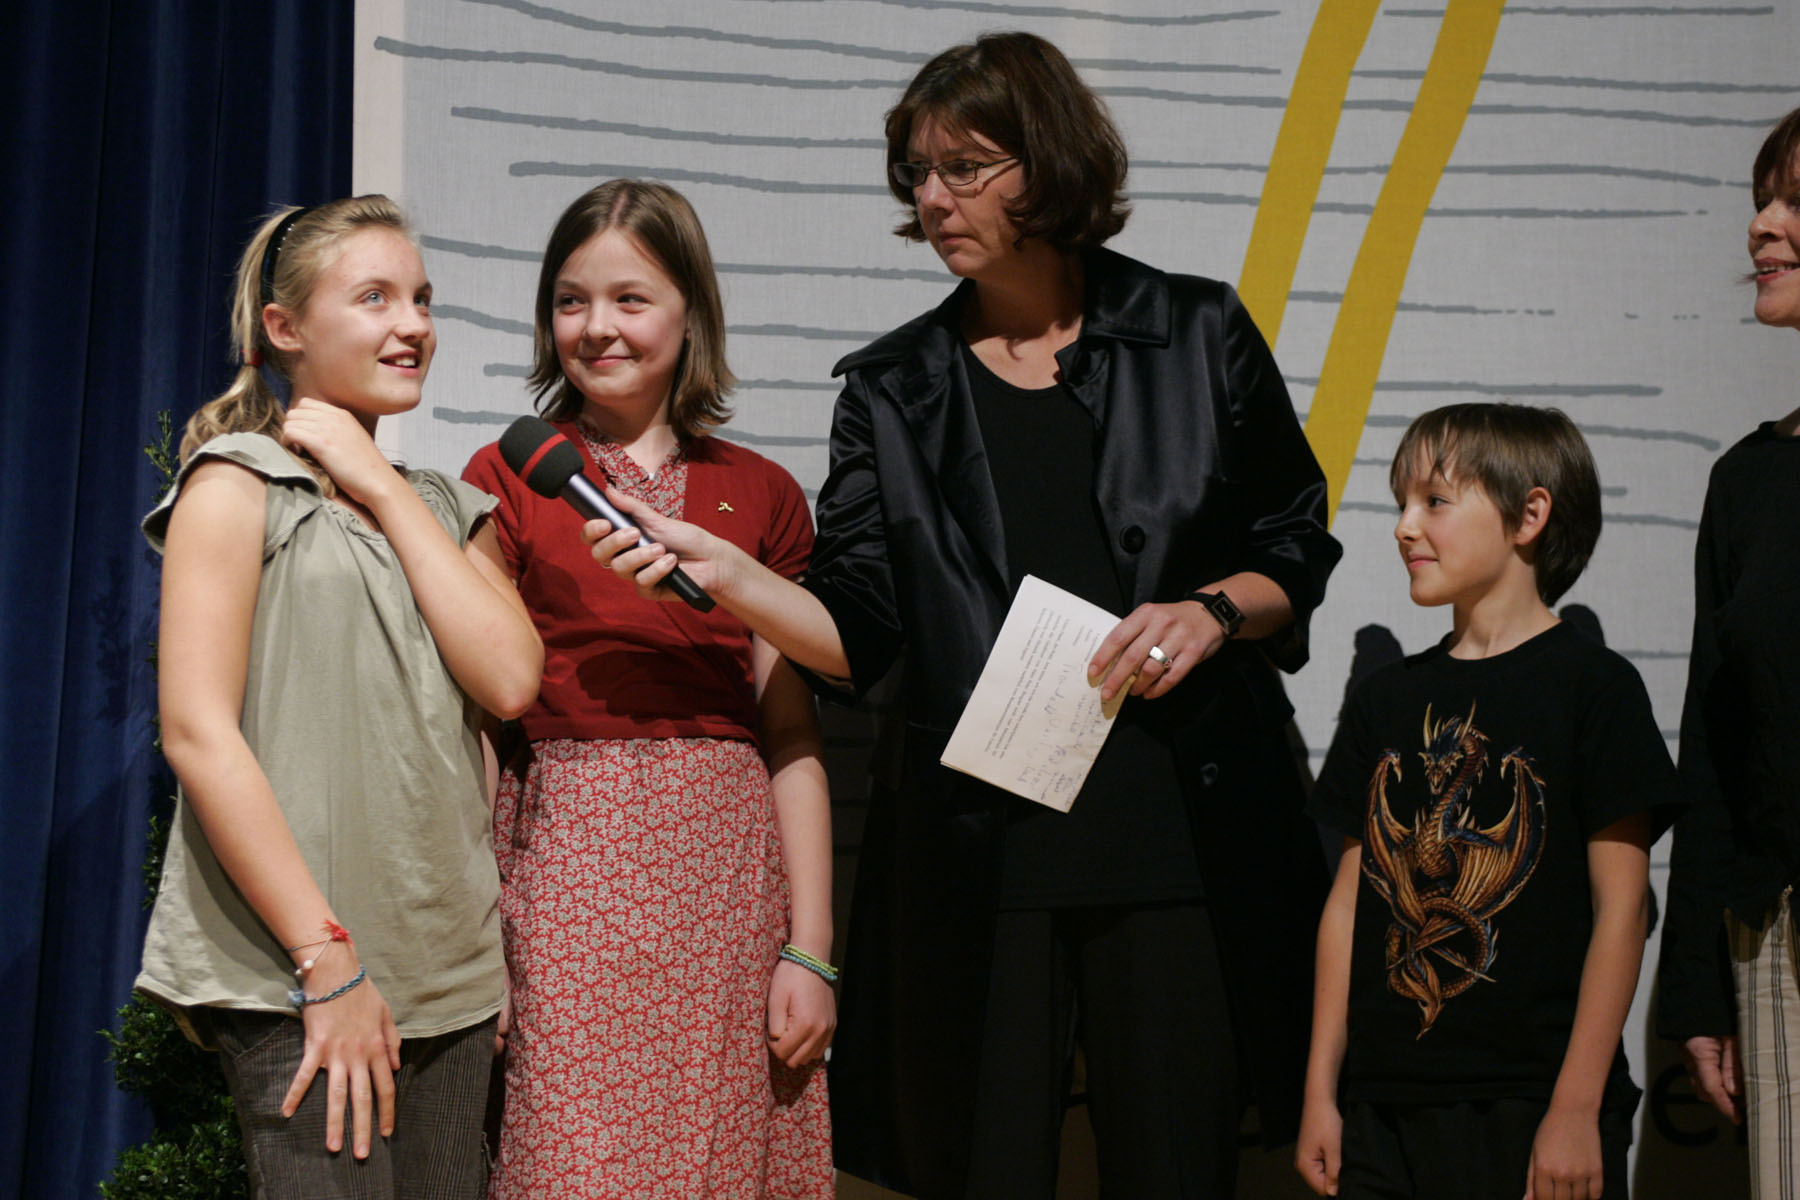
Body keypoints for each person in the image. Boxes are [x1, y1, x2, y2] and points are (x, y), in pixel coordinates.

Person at [585, 32, 1341, 1199]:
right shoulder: (894, 389)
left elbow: (1294, 538)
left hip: (1180, 838)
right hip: (984, 856)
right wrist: (730, 575)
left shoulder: (1195, 331)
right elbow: (860, 635)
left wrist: (1211, 610)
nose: (935, 199)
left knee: (1180, 1167)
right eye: (920, 173)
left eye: (968, 167)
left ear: (1052, 161)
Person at [135, 196, 543, 1197]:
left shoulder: (446, 507)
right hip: (302, 971)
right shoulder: (235, 486)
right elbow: (197, 735)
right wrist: (328, 962)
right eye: (375, 298)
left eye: (422, 299)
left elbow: (509, 679)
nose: (413, 325)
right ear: (285, 328)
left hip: (448, 973)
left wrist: (383, 485)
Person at [460, 179, 835, 1199]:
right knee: (569, 1160)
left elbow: (791, 732)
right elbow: (483, 724)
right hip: (569, 860)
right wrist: (475, 933)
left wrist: (811, 951)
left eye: (631, 298)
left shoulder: (761, 492)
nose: (597, 327)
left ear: (690, 312)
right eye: (571, 301)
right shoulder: (507, 475)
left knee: (721, 1159)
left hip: (726, 873)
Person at [1296, 404, 1678, 1200]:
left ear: (1529, 516)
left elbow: (1622, 909)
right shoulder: (1385, 699)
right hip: (1381, 1105)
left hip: (1532, 1097)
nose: (1404, 526)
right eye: (1402, 502)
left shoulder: (1595, 688)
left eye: (1434, 501)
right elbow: (1347, 907)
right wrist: (1322, 1092)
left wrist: (1576, 1106)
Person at [1658, 105, 1800, 1197]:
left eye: (1797, 200)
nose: (1762, 225)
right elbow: (1713, 749)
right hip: (1775, 937)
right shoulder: (1748, 481)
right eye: (1762, 199)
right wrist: (1700, 990)